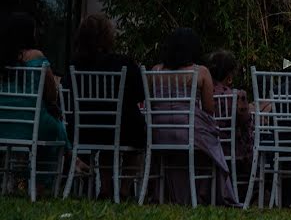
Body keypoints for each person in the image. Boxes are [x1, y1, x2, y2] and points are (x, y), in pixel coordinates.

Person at [149, 28, 238, 205]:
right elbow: (209, 109)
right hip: (188, 133)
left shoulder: (155, 71)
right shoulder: (201, 72)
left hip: (159, 134)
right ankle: (205, 194)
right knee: (212, 143)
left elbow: (152, 104)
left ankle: (174, 193)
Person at [0, 12, 71, 188]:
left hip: (4, 124)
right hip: (32, 124)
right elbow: (52, 95)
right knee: (56, 128)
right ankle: (41, 184)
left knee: (54, 125)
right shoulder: (37, 57)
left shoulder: (2, 60)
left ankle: (19, 180)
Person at [65, 13, 146, 149]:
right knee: (136, 130)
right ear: (108, 37)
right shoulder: (123, 63)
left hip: (82, 130)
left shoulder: (74, 66)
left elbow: (66, 94)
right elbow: (141, 94)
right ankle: (128, 170)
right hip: (120, 131)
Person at [207, 50, 254, 168]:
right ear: (229, 77)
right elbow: (246, 120)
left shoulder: (203, 94)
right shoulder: (237, 96)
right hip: (234, 153)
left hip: (209, 150)